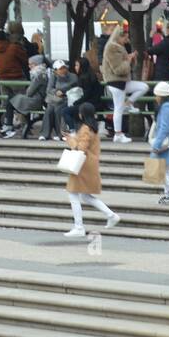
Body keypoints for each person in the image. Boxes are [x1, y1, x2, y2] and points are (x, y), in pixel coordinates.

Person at [61, 102, 119, 238]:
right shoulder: (93, 128)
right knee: (85, 196)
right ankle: (111, 215)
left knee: (73, 194)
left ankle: (79, 226)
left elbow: (81, 148)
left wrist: (70, 141)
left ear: (82, 114)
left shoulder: (85, 128)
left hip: (82, 164)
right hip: (89, 163)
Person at [101, 26, 148, 143]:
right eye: (125, 38)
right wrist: (128, 59)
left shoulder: (116, 47)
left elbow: (121, 65)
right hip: (116, 82)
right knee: (118, 109)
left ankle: (129, 103)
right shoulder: (113, 48)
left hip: (120, 82)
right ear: (119, 37)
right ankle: (118, 134)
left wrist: (128, 59)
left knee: (143, 87)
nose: (126, 40)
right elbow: (119, 69)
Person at [0, 31, 28, 132]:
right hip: (17, 78)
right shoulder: (13, 47)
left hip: (3, 79)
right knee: (21, 101)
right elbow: (24, 58)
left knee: (5, 102)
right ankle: (24, 124)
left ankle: (4, 123)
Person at [5, 54, 48, 139]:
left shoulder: (38, 76)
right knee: (12, 100)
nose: (29, 66)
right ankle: (9, 125)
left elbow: (29, 92)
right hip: (36, 100)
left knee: (10, 102)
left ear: (36, 64)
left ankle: (8, 126)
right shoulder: (41, 74)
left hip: (35, 101)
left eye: (31, 64)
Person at [67, 57, 104, 131]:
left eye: (77, 65)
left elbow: (86, 95)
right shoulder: (90, 75)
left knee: (66, 111)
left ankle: (73, 131)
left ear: (82, 66)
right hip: (95, 103)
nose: (75, 68)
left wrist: (76, 102)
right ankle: (78, 130)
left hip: (90, 104)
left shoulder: (84, 78)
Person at [41, 59, 73, 141]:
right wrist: (56, 91)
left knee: (58, 109)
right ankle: (45, 134)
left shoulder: (71, 76)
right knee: (49, 110)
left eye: (64, 68)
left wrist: (61, 91)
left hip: (67, 99)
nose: (63, 70)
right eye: (60, 69)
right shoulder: (53, 77)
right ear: (55, 70)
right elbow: (49, 89)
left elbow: (71, 86)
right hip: (56, 100)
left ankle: (61, 134)